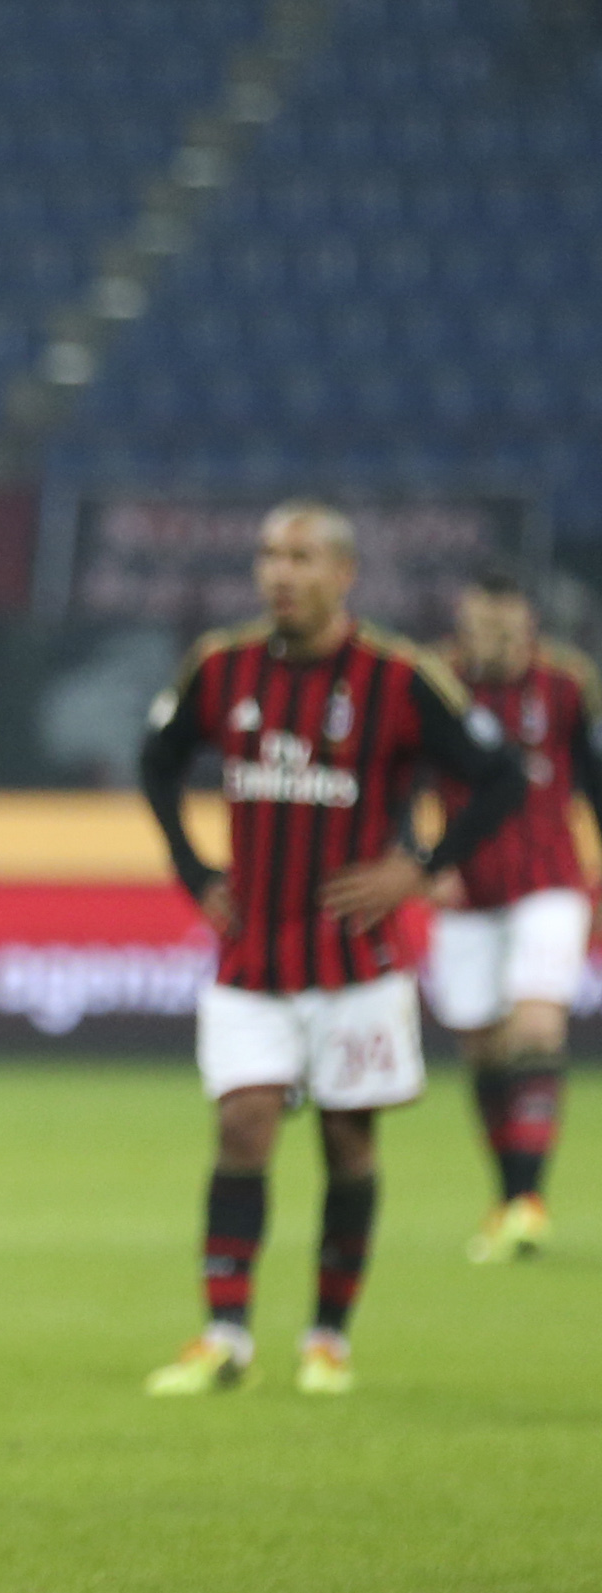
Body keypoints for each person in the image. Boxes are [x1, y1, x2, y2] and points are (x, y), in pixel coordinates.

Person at [138, 501, 523, 1397]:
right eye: (270, 555)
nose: (280, 573)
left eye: (302, 557)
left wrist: (423, 866)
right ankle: (225, 1334)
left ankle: (327, 1339)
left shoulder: (398, 678)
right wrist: (196, 872)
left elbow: (501, 778)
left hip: (354, 963)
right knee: (243, 1123)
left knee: (350, 1144)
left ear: (343, 575)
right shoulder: (221, 666)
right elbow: (157, 761)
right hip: (252, 959)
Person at [425, 573, 601, 1262]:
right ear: (463, 619)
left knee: (536, 1024)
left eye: (505, 619)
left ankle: (529, 1200)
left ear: (527, 619)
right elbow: (397, 774)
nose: (493, 633)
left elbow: (593, 777)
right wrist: (421, 858)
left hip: (549, 882)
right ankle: (510, 1197)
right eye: (480, 618)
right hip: (467, 894)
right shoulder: (434, 683)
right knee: (484, 1049)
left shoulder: (566, 684)